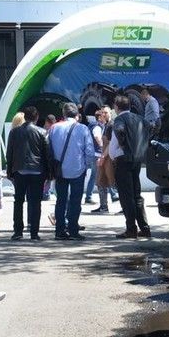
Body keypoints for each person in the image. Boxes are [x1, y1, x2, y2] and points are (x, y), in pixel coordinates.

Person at [48, 102, 95, 240]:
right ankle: (73, 230)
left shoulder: (54, 128)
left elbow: (47, 148)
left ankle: (59, 231)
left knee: (60, 201)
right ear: (77, 115)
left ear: (63, 114)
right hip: (77, 170)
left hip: (59, 170)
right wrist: (85, 166)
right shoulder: (83, 129)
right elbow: (90, 152)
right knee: (75, 201)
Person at [111, 95, 152, 239]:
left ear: (116, 106)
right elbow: (150, 127)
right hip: (137, 159)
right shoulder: (140, 119)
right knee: (136, 194)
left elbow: (120, 131)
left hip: (123, 160)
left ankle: (131, 229)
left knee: (126, 196)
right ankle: (144, 228)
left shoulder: (119, 119)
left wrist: (123, 145)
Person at [5, 106, 48, 241]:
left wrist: (9, 171)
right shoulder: (42, 132)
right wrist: (48, 172)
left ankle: (18, 231)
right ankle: (34, 233)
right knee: (35, 202)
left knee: (18, 201)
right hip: (37, 171)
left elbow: (9, 153)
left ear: (25, 117)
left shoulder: (14, 132)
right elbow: (46, 154)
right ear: (36, 117)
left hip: (20, 170)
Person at [90, 106, 116, 214]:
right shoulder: (105, 125)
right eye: (102, 113)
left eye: (106, 112)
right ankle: (103, 206)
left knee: (115, 183)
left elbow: (110, 144)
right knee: (101, 182)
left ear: (110, 113)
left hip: (109, 158)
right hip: (105, 157)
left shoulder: (111, 125)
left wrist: (103, 157)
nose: (103, 114)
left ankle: (126, 207)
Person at [84, 108, 103, 205]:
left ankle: (113, 194)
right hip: (97, 154)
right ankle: (88, 197)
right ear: (99, 117)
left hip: (92, 153)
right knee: (95, 175)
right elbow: (97, 137)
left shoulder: (90, 125)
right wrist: (102, 146)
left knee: (96, 175)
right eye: (103, 115)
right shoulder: (97, 126)